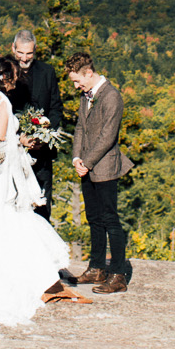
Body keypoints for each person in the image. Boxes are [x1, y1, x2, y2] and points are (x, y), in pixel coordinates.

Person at [0, 57, 72, 325]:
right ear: (6, 78)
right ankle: (30, 278)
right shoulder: (3, 103)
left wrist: (16, 138)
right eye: (13, 74)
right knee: (12, 218)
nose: (17, 78)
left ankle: (16, 271)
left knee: (2, 220)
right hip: (2, 175)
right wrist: (20, 142)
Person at [66, 52, 134, 293]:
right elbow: (80, 129)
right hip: (87, 167)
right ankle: (96, 268)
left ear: (89, 73)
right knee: (94, 218)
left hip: (104, 167)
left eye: (77, 80)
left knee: (110, 219)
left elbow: (108, 136)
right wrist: (77, 158)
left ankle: (117, 275)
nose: (76, 86)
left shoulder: (112, 97)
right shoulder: (87, 96)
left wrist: (88, 161)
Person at [3, 29, 64, 221]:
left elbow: (55, 108)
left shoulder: (47, 72)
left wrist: (44, 135)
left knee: (42, 206)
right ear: (13, 48)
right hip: (13, 152)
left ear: (35, 50)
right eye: (20, 53)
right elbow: (0, 112)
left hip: (42, 153)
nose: (24, 58)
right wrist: (19, 138)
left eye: (29, 53)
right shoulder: (5, 72)